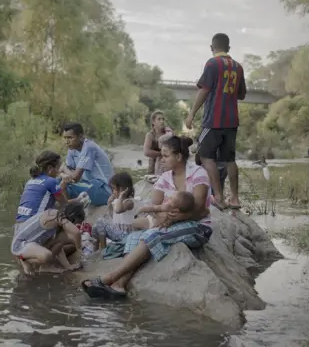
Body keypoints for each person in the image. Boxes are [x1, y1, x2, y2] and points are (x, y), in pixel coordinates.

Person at [81, 135, 212, 299]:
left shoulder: (198, 173)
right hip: (168, 224)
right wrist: (165, 215)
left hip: (197, 226)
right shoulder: (164, 178)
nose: (161, 159)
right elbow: (153, 208)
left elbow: (200, 209)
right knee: (134, 237)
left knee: (152, 234)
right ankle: (120, 286)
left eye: (165, 156)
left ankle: (109, 278)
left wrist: (173, 217)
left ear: (178, 156)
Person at [186, 33, 246, 211]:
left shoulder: (212, 64)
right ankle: (234, 198)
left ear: (212, 48)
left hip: (213, 120)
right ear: (228, 48)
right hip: (232, 121)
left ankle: (218, 197)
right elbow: (242, 94)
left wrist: (191, 113)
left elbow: (204, 90)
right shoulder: (238, 67)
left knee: (205, 156)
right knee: (230, 159)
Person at [11, 202, 85, 276]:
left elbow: (59, 246)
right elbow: (76, 233)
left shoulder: (59, 222)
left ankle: (45, 267)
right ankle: (24, 259)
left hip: (33, 244)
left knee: (59, 242)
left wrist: (68, 266)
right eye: (75, 223)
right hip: (20, 245)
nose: (75, 225)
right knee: (46, 255)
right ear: (72, 216)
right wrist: (79, 248)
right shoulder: (54, 216)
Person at [61, 122, 114, 206]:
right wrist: (64, 173)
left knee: (61, 185)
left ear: (81, 136)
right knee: (59, 182)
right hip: (89, 185)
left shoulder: (89, 147)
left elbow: (75, 177)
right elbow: (68, 173)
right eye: (65, 138)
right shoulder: (72, 149)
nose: (67, 141)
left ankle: (68, 208)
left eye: (70, 138)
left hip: (104, 190)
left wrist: (63, 168)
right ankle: (69, 208)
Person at [92, 172, 138, 250]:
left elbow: (118, 210)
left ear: (122, 189)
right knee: (95, 227)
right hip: (119, 233)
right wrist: (110, 205)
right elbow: (114, 217)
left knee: (100, 221)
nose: (113, 191)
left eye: (114, 189)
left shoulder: (129, 202)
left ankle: (103, 249)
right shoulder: (117, 201)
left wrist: (120, 197)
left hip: (126, 235)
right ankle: (95, 248)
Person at [143, 110, 174, 176]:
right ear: (153, 122)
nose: (162, 121)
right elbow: (146, 152)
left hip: (167, 166)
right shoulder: (150, 135)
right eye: (159, 119)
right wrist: (162, 154)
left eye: (163, 119)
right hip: (153, 166)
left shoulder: (168, 133)